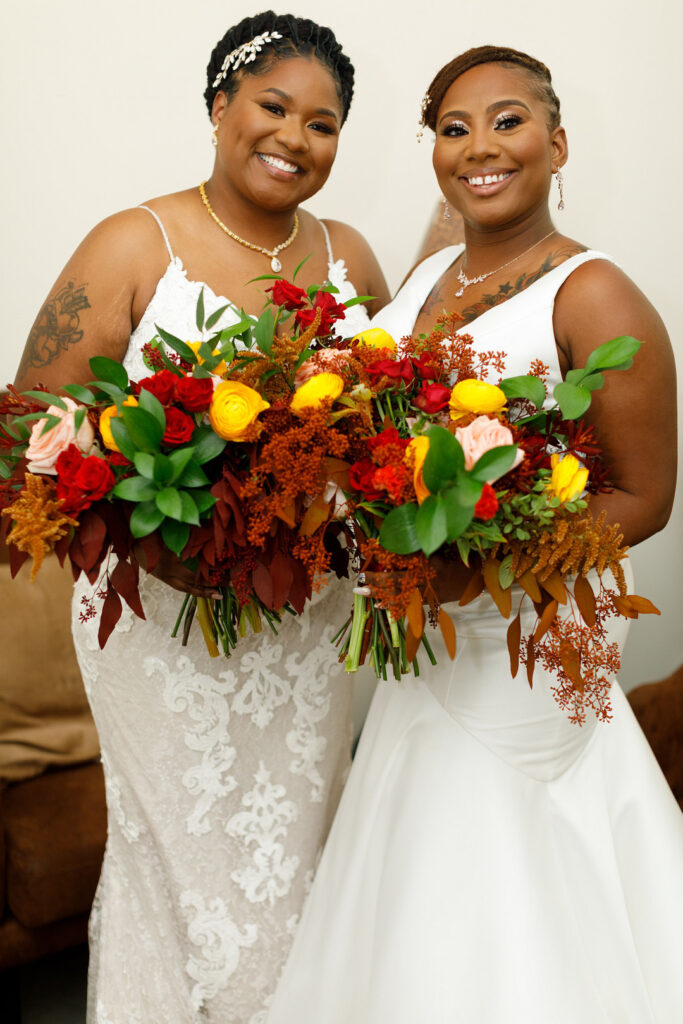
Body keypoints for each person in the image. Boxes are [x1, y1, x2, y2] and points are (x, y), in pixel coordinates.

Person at [266, 46, 683, 1023]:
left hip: (525, 650)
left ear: (556, 141)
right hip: (426, 642)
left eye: (507, 120)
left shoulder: (593, 293)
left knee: (507, 876)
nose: (478, 147)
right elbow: (381, 425)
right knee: (410, 865)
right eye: (453, 129)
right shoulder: (427, 276)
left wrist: (482, 559)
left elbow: (643, 496)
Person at [14, 11, 389, 1023]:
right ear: (220, 106)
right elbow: (32, 429)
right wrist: (153, 530)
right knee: (174, 851)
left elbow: (380, 427)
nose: (294, 138)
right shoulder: (135, 238)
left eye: (323, 123)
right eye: (273, 106)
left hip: (300, 620)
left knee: (289, 842)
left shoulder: (346, 252)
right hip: (156, 619)